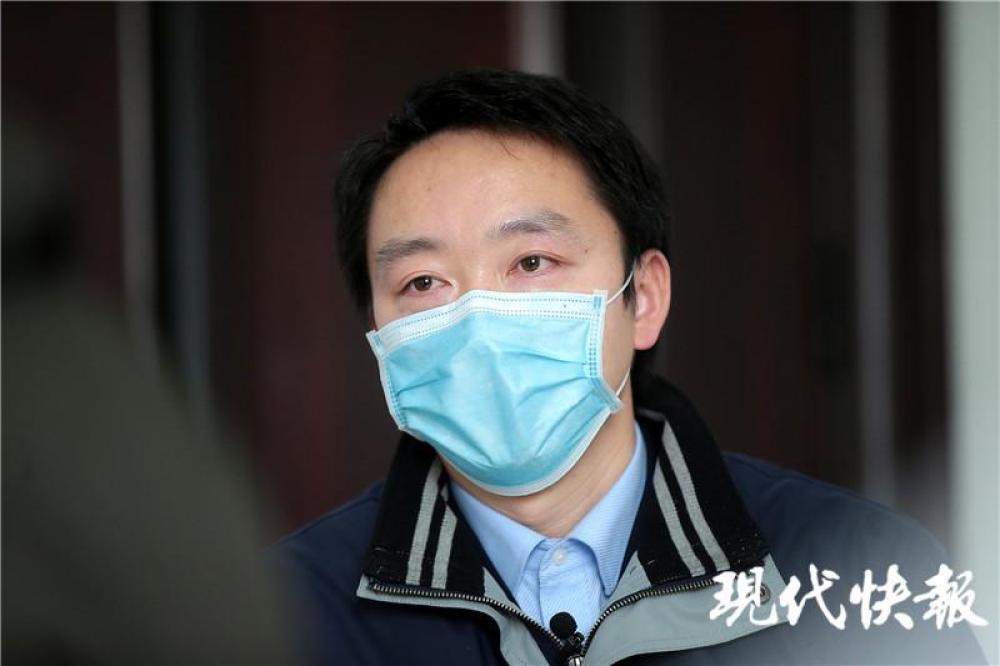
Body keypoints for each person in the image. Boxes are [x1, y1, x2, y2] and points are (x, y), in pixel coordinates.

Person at [269, 69, 986, 665]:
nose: (478, 322)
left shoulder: (860, 570)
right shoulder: (283, 615)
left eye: (531, 262)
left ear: (643, 297)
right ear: (379, 333)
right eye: (423, 282)